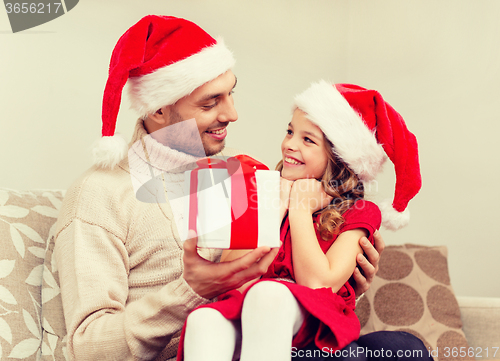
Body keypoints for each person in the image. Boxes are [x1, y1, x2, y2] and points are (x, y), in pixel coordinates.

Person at [52, 15, 413, 361]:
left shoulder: (241, 175)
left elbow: (282, 284)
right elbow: (88, 350)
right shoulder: (100, 195)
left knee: (400, 348)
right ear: (159, 109)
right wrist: (189, 293)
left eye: (230, 94)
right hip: (203, 345)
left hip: (268, 338)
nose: (232, 114)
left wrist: (345, 284)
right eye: (211, 102)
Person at [179, 81, 424, 361]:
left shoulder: (360, 211)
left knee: (269, 294)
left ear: (339, 158)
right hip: (252, 313)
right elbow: (233, 277)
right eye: (290, 132)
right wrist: (278, 205)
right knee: (204, 320)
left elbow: (318, 284)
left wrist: (299, 208)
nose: (290, 145)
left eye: (308, 140)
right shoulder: (261, 191)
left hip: (311, 321)